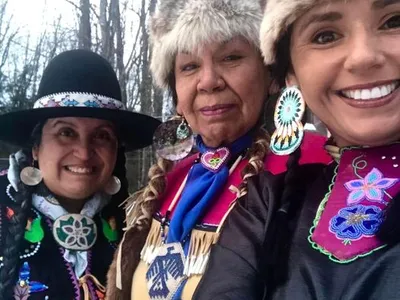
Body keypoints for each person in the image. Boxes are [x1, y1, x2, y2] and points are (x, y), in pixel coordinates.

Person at [106, 0, 331, 299]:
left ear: (272, 76)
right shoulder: (168, 182)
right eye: (189, 66)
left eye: (231, 57)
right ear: (176, 92)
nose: (208, 81)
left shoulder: (312, 169)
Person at [194, 0, 400, 299]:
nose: (363, 57)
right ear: (291, 75)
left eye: (394, 21)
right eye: (325, 36)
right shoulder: (269, 202)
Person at [0, 49, 160, 300]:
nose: (84, 153)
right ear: (36, 146)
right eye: (66, 132)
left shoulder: (139, 225)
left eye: (102, 135)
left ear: (116, 149)